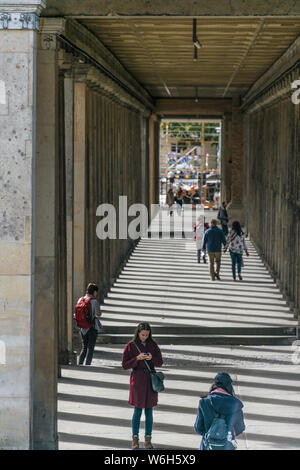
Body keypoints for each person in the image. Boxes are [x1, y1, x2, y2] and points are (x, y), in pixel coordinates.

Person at [122, 322, 163, 450]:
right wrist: (137, 359)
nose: (144, 337)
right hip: (138, 381)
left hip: (150, 380)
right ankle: (135, 439)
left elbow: (160, 362)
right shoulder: (130, 346)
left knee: (149, 411)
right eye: (142, 334)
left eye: (147, 335)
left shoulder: (153, 345)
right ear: (138, 333)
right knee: (138, 411)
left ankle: (148, 440)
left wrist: (151, 358)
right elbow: (124, 365)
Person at [194, 372, 245, 450]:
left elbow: (198, 427)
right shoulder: (235, 404)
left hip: (208, 446)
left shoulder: (204, 402)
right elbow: (240, 427)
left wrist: (210, 435)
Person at [76, 283, 102, 366]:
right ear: (94, 292)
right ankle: (87, 365)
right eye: (96, 292)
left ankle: (80, 364)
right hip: (92, 327)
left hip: (82, 327)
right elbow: (98, 314)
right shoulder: (94, 301)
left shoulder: (81, 299)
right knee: (90, 348)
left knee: (84, 347)